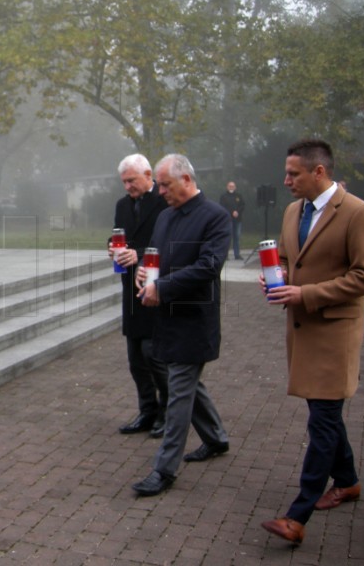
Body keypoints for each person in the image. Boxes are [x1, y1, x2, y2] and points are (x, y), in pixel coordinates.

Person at [260, 139, 364, 545]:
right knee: (324, 411)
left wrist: (305, 294)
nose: (286, 180)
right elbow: (286, 259)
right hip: (301, 331)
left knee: (322, 421)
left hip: (334, 335)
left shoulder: (358, 213)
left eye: (293, 173)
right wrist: (275, 276)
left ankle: (298, 515)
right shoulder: (294, 211)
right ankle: (347, 481)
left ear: (319, 172)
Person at [131, 154, 231, 497]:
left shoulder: (215, 217)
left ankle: (164, 469)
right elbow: (154, 254)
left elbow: (208, 267)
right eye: (159, 185)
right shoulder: (165, 216)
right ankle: (216, 438)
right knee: (187, 384)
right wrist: (144, 270)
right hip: (165, 318)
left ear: (186, 180)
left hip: (194, 321)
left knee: (178, 392)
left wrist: (163, 287)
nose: (160, 191)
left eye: (165, 185)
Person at [110, 154, 168, 438]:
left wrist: (141, 254)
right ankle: (146, 411)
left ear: (148, 174)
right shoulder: (122, 205)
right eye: (124, 182)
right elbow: (116, 236)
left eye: (131, 180)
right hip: (129, 289)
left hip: (155, 287)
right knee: (135, 358)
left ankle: (166, 413)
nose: (127, 187)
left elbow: (172, 243)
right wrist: (113, 248)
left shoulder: (164, 200)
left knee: (154, 355)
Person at [219, 181, 245, 260]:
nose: (231, 187)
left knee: (236, 237)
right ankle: (225, 255)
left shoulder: (239, 196)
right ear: (227, 187)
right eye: (230, 186)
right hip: (228, 220)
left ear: (235, 187)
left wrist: (237, 211)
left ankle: (237, 255)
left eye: (233, 186)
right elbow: (222, 206)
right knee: (228, 237)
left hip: (237, 220)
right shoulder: (223, 196)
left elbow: (242, 205)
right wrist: (231, 212)